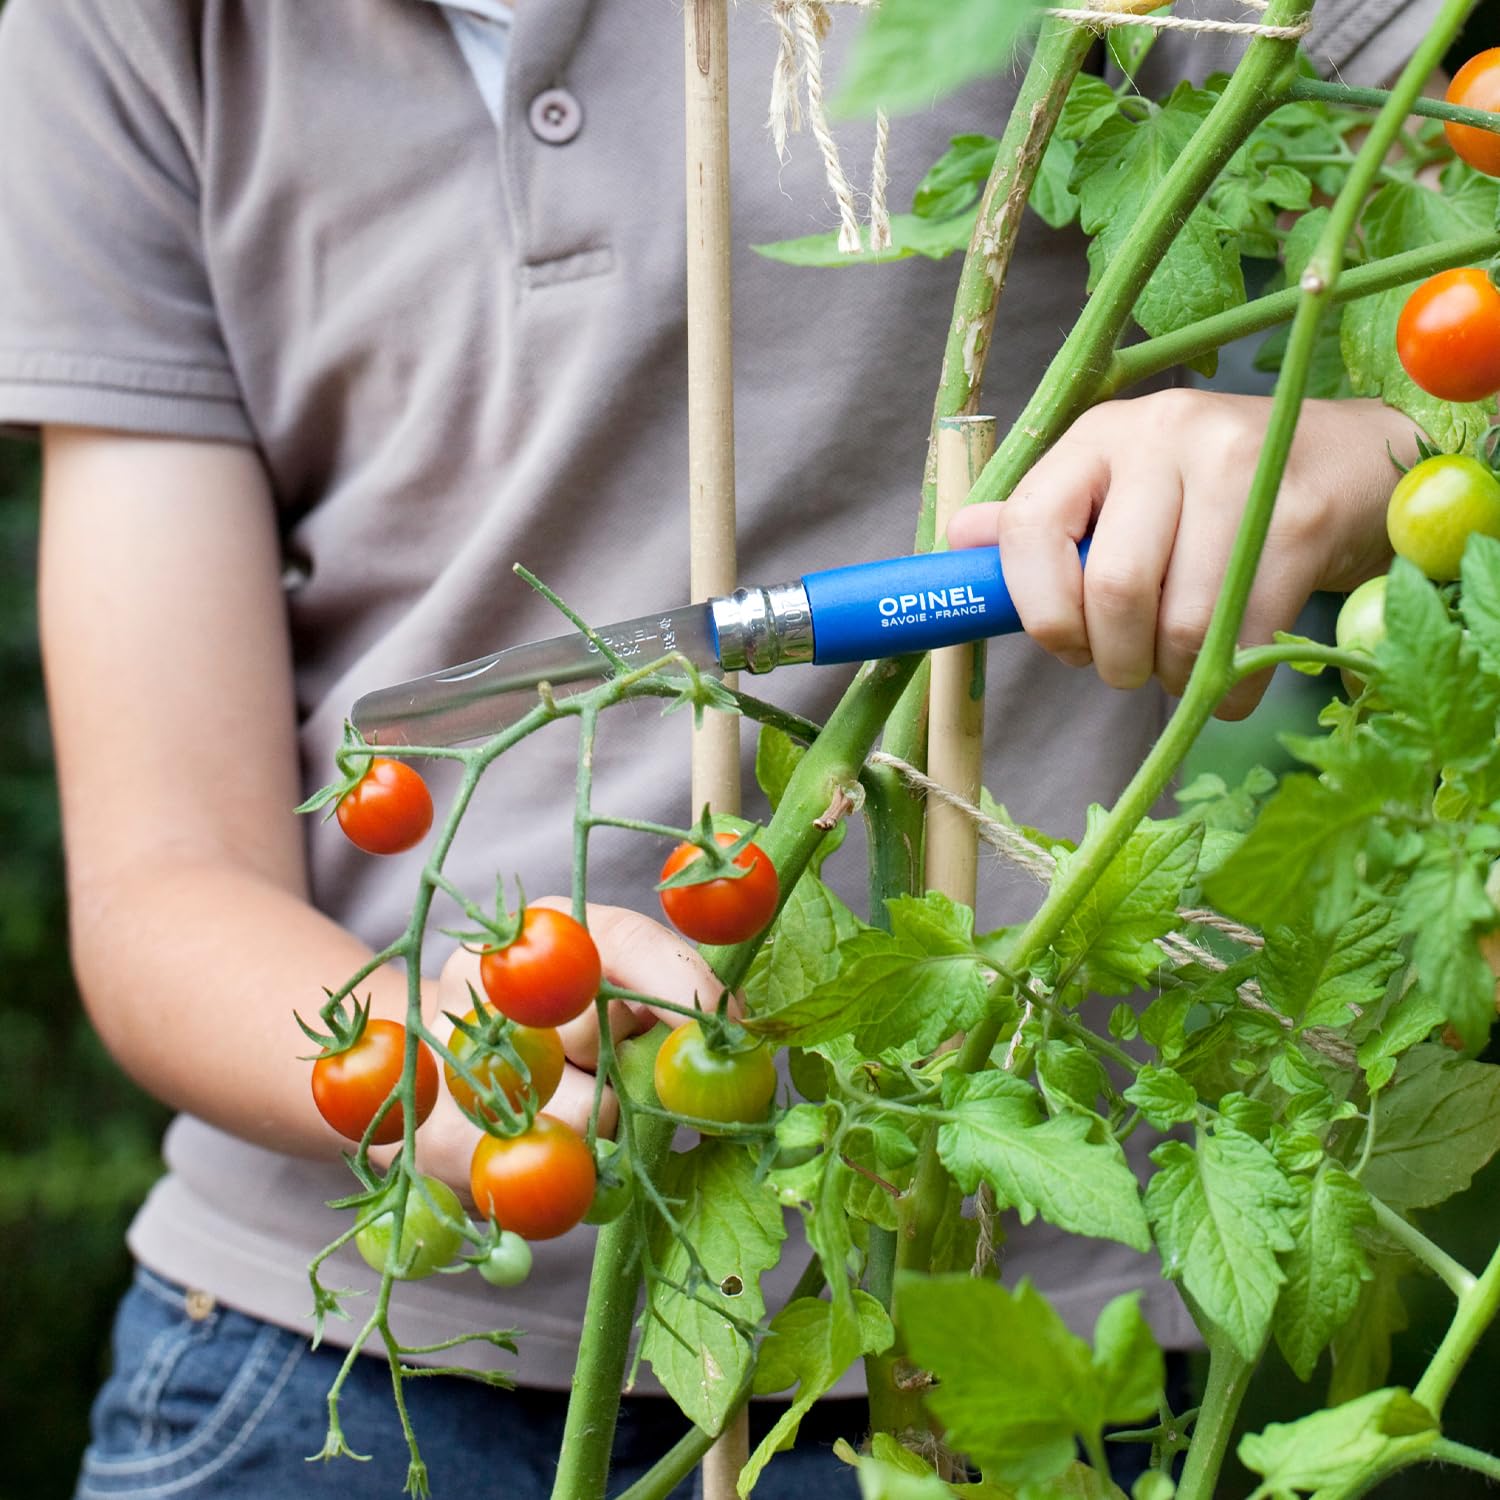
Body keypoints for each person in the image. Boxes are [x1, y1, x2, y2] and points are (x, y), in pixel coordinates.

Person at [0, 0, 1444, 1495]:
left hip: (989, 1377)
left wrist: (1352, 458)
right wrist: (458, 1061)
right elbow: (158, 879)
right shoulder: (120, 23)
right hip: (327, 1387)